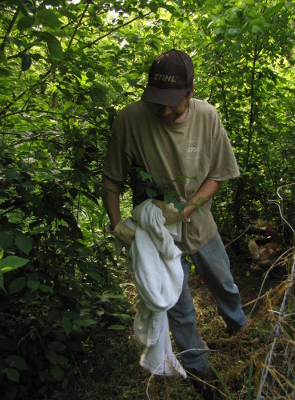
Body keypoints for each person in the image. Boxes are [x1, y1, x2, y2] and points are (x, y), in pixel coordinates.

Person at [101, 49, 247, 395]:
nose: (163, 111)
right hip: (156, 236)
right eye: (156, 102)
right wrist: (116, 222)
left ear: (190, 92)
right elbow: (111, 179)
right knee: (178, 308)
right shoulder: (130, 120)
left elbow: (219, 175)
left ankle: (243, 334)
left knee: (224, 284)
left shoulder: (207, 117)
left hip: (200, 225)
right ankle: (202, 375)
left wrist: (186, 210)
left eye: (172, 103)